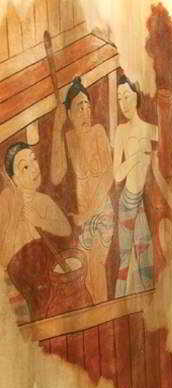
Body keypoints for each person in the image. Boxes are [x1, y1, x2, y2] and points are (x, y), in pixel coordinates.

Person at [112, 74, 172, 297]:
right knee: (124, 259)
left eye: (127, 96)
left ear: (137, 97)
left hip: (142, 205)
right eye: (119, 98)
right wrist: (136, 157)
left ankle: (148, 306)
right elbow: (117, 175)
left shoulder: (149, 129)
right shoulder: (121, 131)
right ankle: (119, 303)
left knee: (145, 261)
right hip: (127, 202)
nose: (123, 103)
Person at [50, 77, 114, 304]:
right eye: (79, 106)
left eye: (87, 105)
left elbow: (108, 178)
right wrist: (57, 129)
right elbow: (56, 175)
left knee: (96, 266)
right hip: (84, 220)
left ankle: (104, 315)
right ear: (68, 114)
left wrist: (86, 215)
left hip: (102, 213)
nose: (85, 111)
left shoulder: (98, 132)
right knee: (85, 274)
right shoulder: (68, 138)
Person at [0, 143, 72, 321]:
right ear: (14, 179)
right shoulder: (6, 200)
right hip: (20, 282)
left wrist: (40, 220)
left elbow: (66, 228)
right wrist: (16, 212)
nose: (34, 168)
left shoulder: (44, 200)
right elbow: (3, 255)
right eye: (25, 167)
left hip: (49, 278)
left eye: (34, 160)